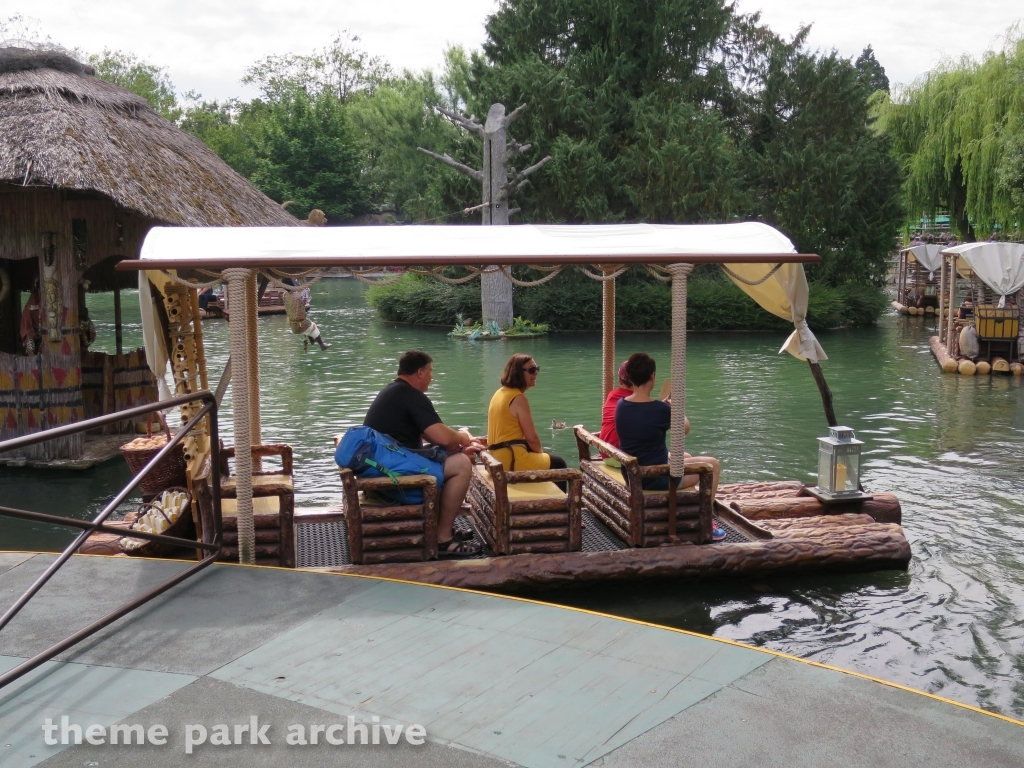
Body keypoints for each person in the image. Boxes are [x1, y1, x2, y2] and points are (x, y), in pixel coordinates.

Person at [364, 350, 486, 558]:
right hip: (391, 478)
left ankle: (438, 526)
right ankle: (442, 539)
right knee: (462, 465)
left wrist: (457, 444)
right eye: (430, 371)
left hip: (381, 467)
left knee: (453, 458)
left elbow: (431, 434)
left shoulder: (395, 391)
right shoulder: (410, 395)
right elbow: (444, 438)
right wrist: (463, 438)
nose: (432, 376)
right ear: (420, 372)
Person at [615, 353, 724, 540]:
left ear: (630, 378)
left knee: (686, 456)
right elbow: (685, 428)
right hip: (656, 478)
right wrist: (675, 409)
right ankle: (706, 519)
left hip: (632, 474)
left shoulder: (621, 404)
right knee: (713, 465)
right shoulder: (660, 409)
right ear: (653, 376)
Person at [486, 354, 568, 487]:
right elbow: (532, 439)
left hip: (495, 458)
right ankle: (560, 506)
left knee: (545, 458)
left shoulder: (499, 393)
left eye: (536, 369)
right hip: (510, 461)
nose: (535, 373)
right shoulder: (519, 399)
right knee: (558, 463)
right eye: (531, 370)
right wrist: (542, 454)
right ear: (518, 373)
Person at [283, 278, 330, 351]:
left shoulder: (285, 295)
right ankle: (322, 345)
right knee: (313, 327)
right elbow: (300, 313)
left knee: (308, 328)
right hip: (299, 323)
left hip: (292, 324)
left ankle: (312, 339)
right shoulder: (296, 296)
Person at [598, 361, 632, 450]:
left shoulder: (612, 395)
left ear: (620, 380)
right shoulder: (637, 400)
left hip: (606, 453)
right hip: (625, 458)